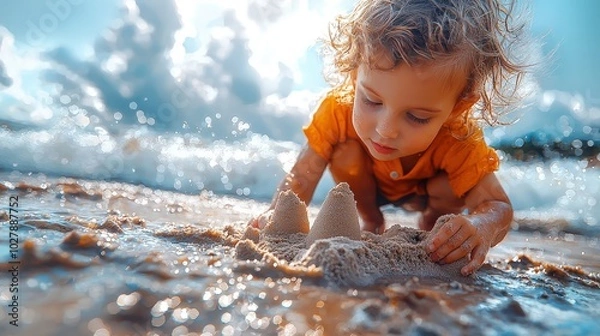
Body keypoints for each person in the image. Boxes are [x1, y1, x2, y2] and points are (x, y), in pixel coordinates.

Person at [250, 0, 530, 276]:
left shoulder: (460, 137)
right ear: (354, 75)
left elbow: (498, 207)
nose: (385, 130)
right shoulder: (337, 110)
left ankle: (433, 230)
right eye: (372, 100)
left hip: (427, 193)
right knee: (345, 152)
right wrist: (276, 216)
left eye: (417, 117)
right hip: (365, 189)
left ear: (458, 108)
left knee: (449, 187)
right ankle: (371, 219)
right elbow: (301, 177)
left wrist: (480, 226)